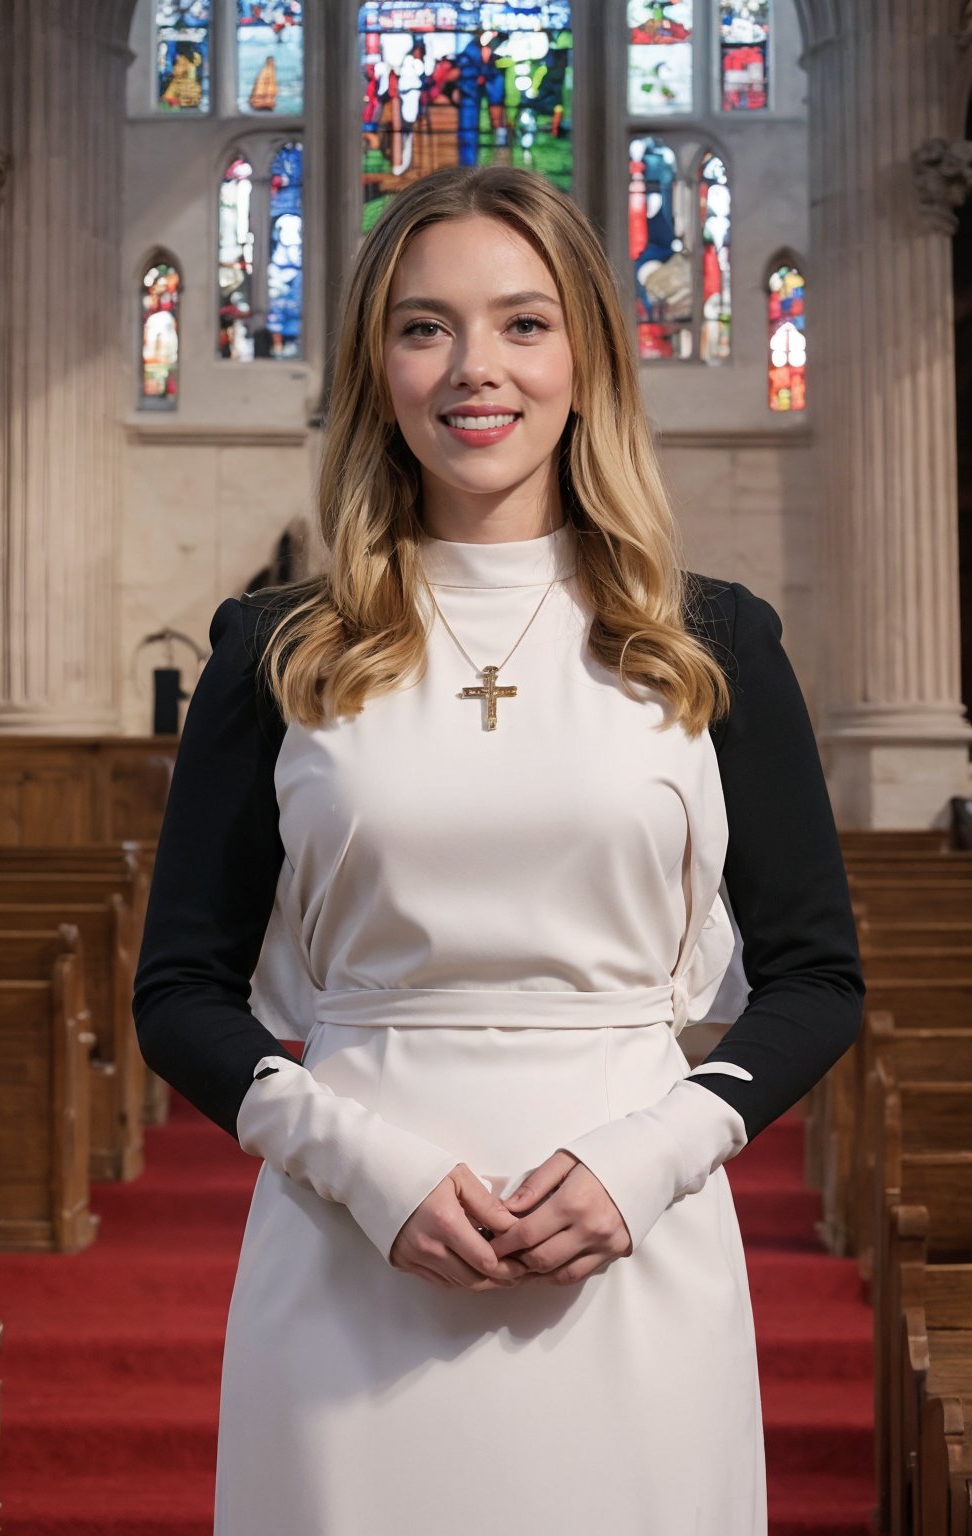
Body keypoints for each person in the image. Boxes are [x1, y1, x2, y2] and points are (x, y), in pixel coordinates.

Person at [133, 163, 864, 1536]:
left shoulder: (718, 642)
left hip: (635, 1248)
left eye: (523, 324)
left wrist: (646, 1163)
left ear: (587, 355)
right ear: (377, 366)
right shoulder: (273, 647)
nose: (476, 370)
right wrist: (362, 1169)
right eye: (425, 327)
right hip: (349, 1252)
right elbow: (178, 992)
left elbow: (817, 977)